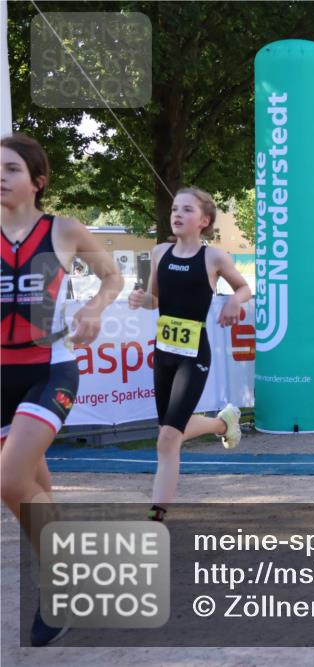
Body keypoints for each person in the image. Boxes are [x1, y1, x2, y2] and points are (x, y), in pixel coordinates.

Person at [1, 134, 125, 646]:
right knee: (37, 489)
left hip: (49, 369)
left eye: (10, 169)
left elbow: (113, 276)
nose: (0, 176)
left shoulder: (64, 230)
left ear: (37, 181)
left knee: (10, 482)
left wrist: (94, 308)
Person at [127, 187, 249, 525]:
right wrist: (141, 300)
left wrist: (236, 302)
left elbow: (244, 288)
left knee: (167, 438)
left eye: (187, 210)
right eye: (174, 209)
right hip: (163, 352)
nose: (177, 214)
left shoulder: (214, 258)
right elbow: (156, 299)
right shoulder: (159, 252)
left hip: (194, 354)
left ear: (204, 221)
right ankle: (223, 423)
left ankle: (156, 514)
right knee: (169, 430)